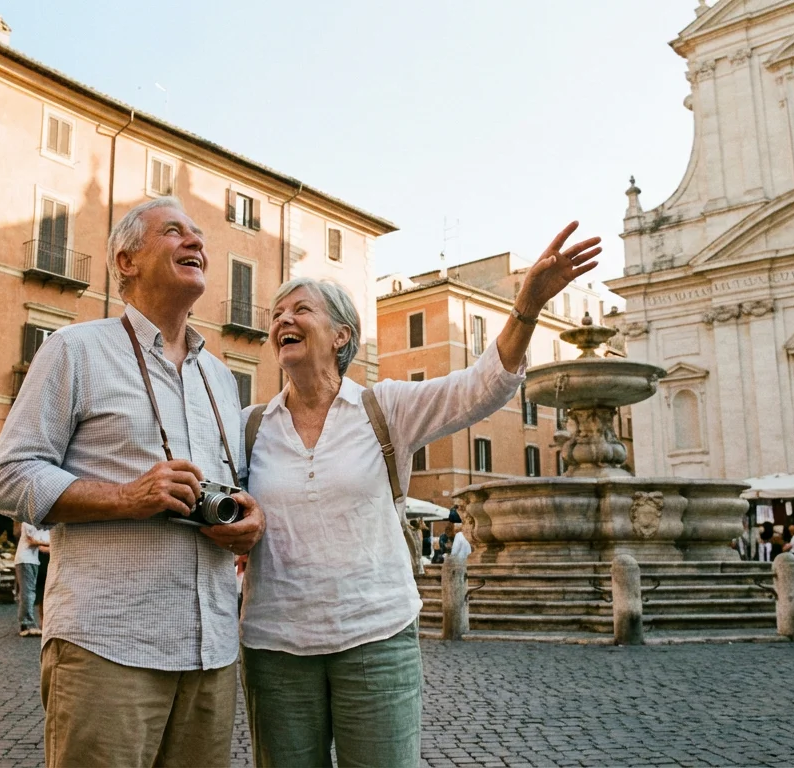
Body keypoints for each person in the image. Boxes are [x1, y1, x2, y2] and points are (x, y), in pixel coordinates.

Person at [239, 221, 600, 766]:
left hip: (376, 638)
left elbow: (481, 388)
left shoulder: (385, 408)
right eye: (276, 316)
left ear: (341, 335)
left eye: (301, 310)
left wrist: (524, 309)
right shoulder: (250, 426)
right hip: (275, 646)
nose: (284, 320)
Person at [0, 197, 266, 767]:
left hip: (210, 652)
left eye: (198, 235)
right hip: (108, 646)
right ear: (126, 260)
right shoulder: (74, 350)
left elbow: (234, 487)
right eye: (174, 232)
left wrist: (246, 519)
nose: (197, 243)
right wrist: (127, 497)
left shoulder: (219, 376)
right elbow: (8, 479)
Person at [15, 521, 50, 636]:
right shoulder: (28, 521)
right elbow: (32, 540)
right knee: (28, 592)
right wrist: (50, 544)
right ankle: (26, 624)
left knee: (31, 592)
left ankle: (30, 623)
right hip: (26, 559)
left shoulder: (41, 525)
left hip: (33, 560)